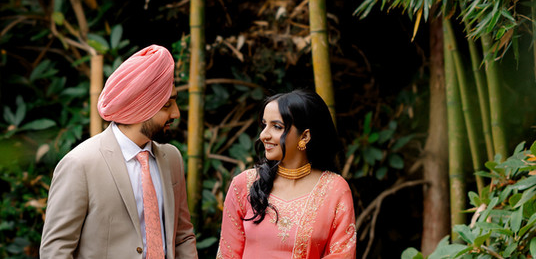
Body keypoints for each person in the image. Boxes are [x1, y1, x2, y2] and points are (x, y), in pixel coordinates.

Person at [40, 44, 198, 259]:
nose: (176, 113)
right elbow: (56, 250)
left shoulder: (172, 158)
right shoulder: (80, 164)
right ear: (141, 107)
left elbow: (182, 236)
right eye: (166, 105)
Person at [216, 90, 357, 259]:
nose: (263, 135)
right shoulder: (244, 184)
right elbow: (228, 254)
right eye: (264, 125)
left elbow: (343, 255)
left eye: (276, 127)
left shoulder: (334, 189)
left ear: (304, 136)